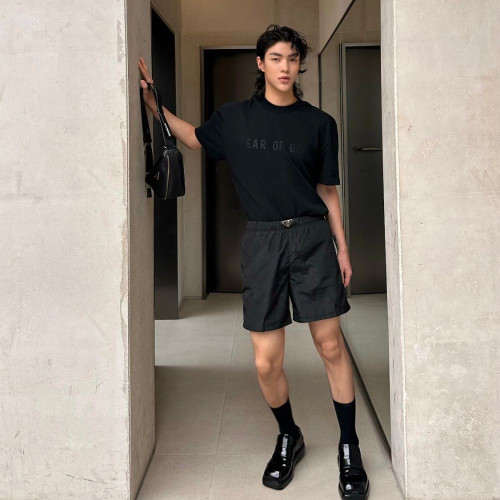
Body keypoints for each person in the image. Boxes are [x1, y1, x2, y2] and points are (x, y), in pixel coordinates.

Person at [138, 23, 369, 500]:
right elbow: (194, 139)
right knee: (266, 362)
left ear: (300, 65)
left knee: (330, 345)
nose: (286, 67)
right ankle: (289, 435)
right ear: (260, 63)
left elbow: (327, 191)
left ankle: (350, 445)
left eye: (293, 59)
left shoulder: (320, 123)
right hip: (262, 241)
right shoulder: (233, 118)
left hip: (311, 237)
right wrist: (154, 105)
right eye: (277, 58)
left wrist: (343, 247)